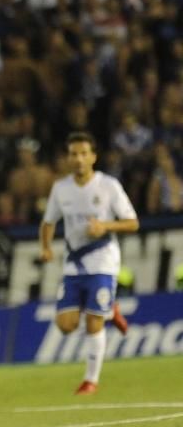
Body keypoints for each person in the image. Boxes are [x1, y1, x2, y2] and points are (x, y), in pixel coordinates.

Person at [39, 132, 139, 395]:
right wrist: (46, 248)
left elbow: (132, 222)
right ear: (68, 158)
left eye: (84, 153)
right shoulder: (61, 189)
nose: (79, 159)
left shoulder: (108, 186)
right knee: (66, 325)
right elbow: (48, 222)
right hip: (74, 262)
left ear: (93, 157)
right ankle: (110, 308)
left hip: (103, 259)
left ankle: (90, 381)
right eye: (74, 154)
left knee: (94, 322)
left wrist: (105, 225)